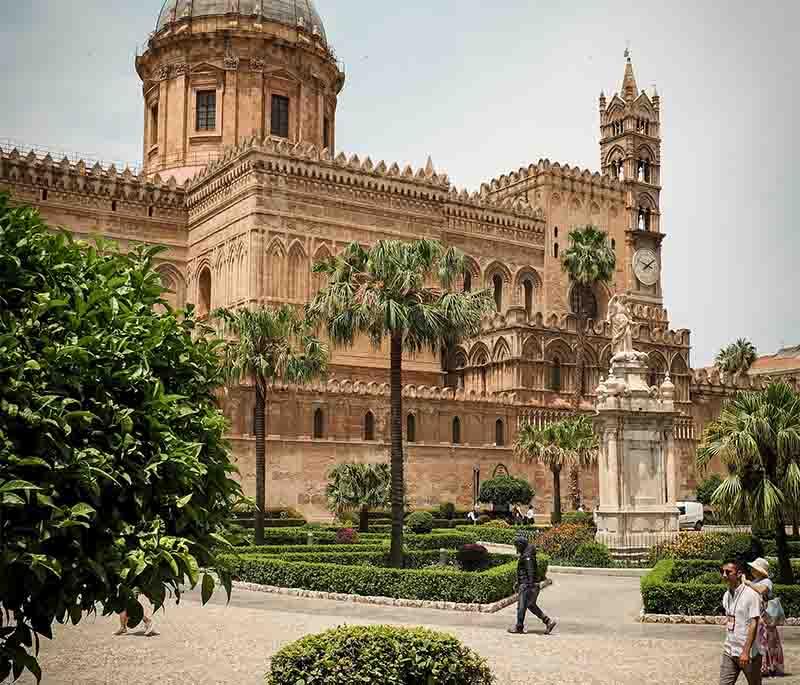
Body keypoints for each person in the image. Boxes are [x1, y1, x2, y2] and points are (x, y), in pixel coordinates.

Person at [720, 558, 762, 685]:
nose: (724, 575)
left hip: (748, 654)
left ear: (739, 574)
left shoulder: (751, 595)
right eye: (722, 571)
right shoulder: (726, 595)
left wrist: (745, 651)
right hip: (729, 650)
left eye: (728, 572)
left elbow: (754, 623)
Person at [508, 533, 557, 635]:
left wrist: (528, 584)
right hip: (529, 584)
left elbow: (530, 570)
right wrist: (519, 582)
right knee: (530, 605)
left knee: (521, 606)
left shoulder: (527, 556)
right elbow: (526, 571)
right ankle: (548, 621)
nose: (516, 548)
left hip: (527, 585)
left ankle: (519, 627)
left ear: (521, 545)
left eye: (517, 546)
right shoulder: (527, 553)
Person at [743, 558, 785, 677]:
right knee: (760, 642)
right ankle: (761, 666)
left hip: (765, 617)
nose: (752, 570)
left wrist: (748, 583)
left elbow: (761, 590)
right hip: (758, 615)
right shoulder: (756, 580)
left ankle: (769, 667)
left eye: (754, 568)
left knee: (767, 642)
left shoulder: (766, 581)